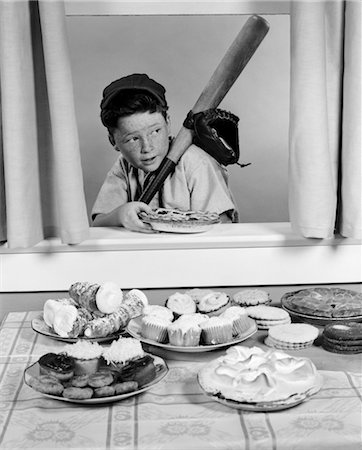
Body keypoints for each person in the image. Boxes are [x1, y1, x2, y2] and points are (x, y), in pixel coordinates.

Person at [92, 73, 238, 232]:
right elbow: (98, 225)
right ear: (114, 142)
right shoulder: (123, 166)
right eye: (133, 139)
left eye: (155, 131)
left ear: (168, 122)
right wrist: (120, 214)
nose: (147, 147)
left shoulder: (195, 163)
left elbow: (222, 229)